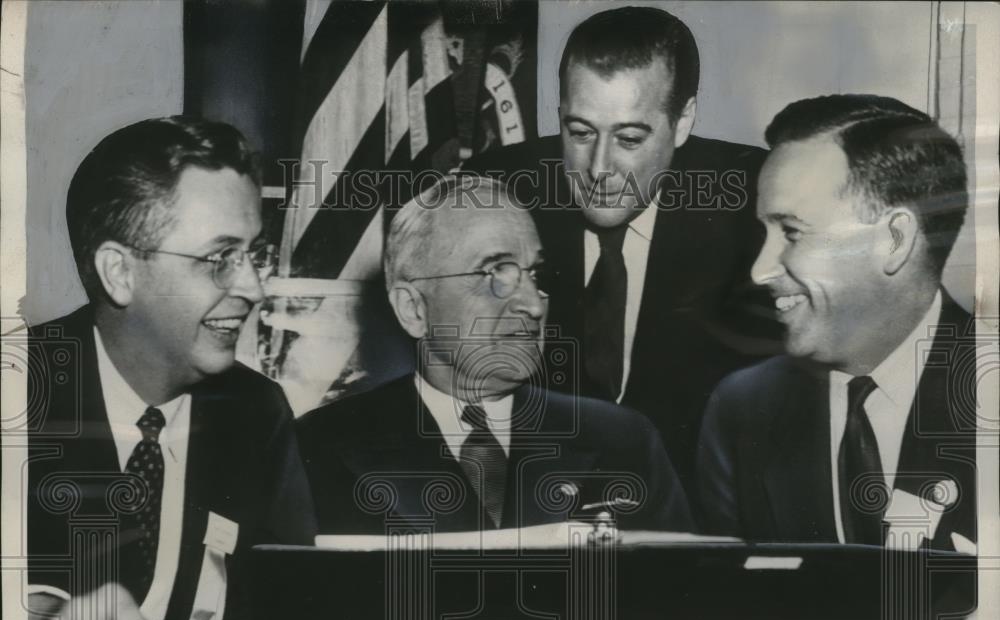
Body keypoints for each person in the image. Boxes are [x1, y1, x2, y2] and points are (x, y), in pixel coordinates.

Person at [26, 117, 317, 620]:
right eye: (218, 258)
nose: (253, 288)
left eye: (252, 254)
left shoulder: (258, 412)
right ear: (119, 272)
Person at [464, 6, 778, 498]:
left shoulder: (756, 205)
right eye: (580, 132)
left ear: (683, 121)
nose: (599, 168)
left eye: (630, 138)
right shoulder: (496, 194)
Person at [297, 175, 693, 535]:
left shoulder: (624, 442)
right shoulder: (317, 449)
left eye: (533, 275)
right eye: (495, 274)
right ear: (413, 309)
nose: (534, 307)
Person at [697, 94, 976, 553]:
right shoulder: (742, 411)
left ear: (894, 240)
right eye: (764, 232)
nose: (759, 270)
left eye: (791, 232)